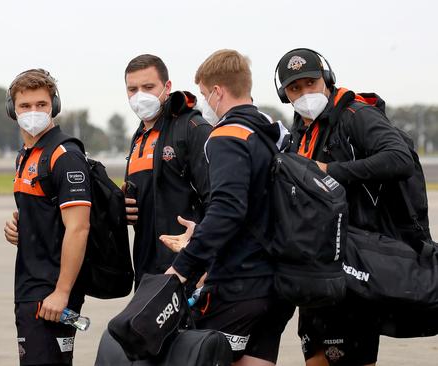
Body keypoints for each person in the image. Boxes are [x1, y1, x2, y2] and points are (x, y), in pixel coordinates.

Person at [275, 48, 415, 366]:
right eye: (295, 88)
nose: (304, 93)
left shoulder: (356, 115)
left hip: (355, 262)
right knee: (317, 358)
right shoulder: (299, 130)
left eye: (310, 83)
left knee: (351, 358)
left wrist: (329, 171)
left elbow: (399, 158)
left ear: (327, 80)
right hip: (316, 265)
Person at [161, 49, 293, 366]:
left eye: (205, 94)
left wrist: (182, 267)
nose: (206, 102)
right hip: (279, 283)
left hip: (240, 283)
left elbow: (227, 208)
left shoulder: (227, 136)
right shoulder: (272, 133)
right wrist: (201, 232)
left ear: (218, 91)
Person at [4, 69, 91, 366]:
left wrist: (62, 292)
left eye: (41, 104)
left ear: (54, 105)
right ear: (12, 110)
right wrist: (19, 228)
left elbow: (79, 228)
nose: (33, 112)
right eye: (25, 106)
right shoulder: (26, 155)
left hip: (52, 293)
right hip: (30, 287)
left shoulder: (63, 154)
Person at [123, 54, 211, 287]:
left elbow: (219, 201)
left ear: (167, 87)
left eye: (148, 87)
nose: (140, 95)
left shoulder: (193, 128)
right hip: (146, 270)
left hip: (187, 270)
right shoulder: (138, 136)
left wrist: (210, 266)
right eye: (132, 89)